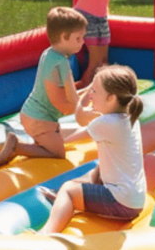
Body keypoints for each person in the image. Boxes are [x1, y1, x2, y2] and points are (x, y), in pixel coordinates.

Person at [38, 65, 147, 234]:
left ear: (111, 98)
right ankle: (62, 197)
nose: (90, 94)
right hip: (134, 199)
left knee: (68, 189)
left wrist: (44, 131)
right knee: (96, 170)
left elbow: (71, 136)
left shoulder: (108, 123)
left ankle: (46, 234)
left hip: (121, 202)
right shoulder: (128, 116)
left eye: (94, 91)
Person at [0, 7, 87, 166]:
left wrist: (85, 94)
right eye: (78, 38)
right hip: (40, 120)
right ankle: (18, 147)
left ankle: (37, 143)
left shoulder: (49, 53)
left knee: (57, 137)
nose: (83, 42)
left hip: (32, 114)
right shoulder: (61, 63)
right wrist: (80, 110)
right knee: (58, 153)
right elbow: (60, 102)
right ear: (64, 37)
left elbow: (67, 93)